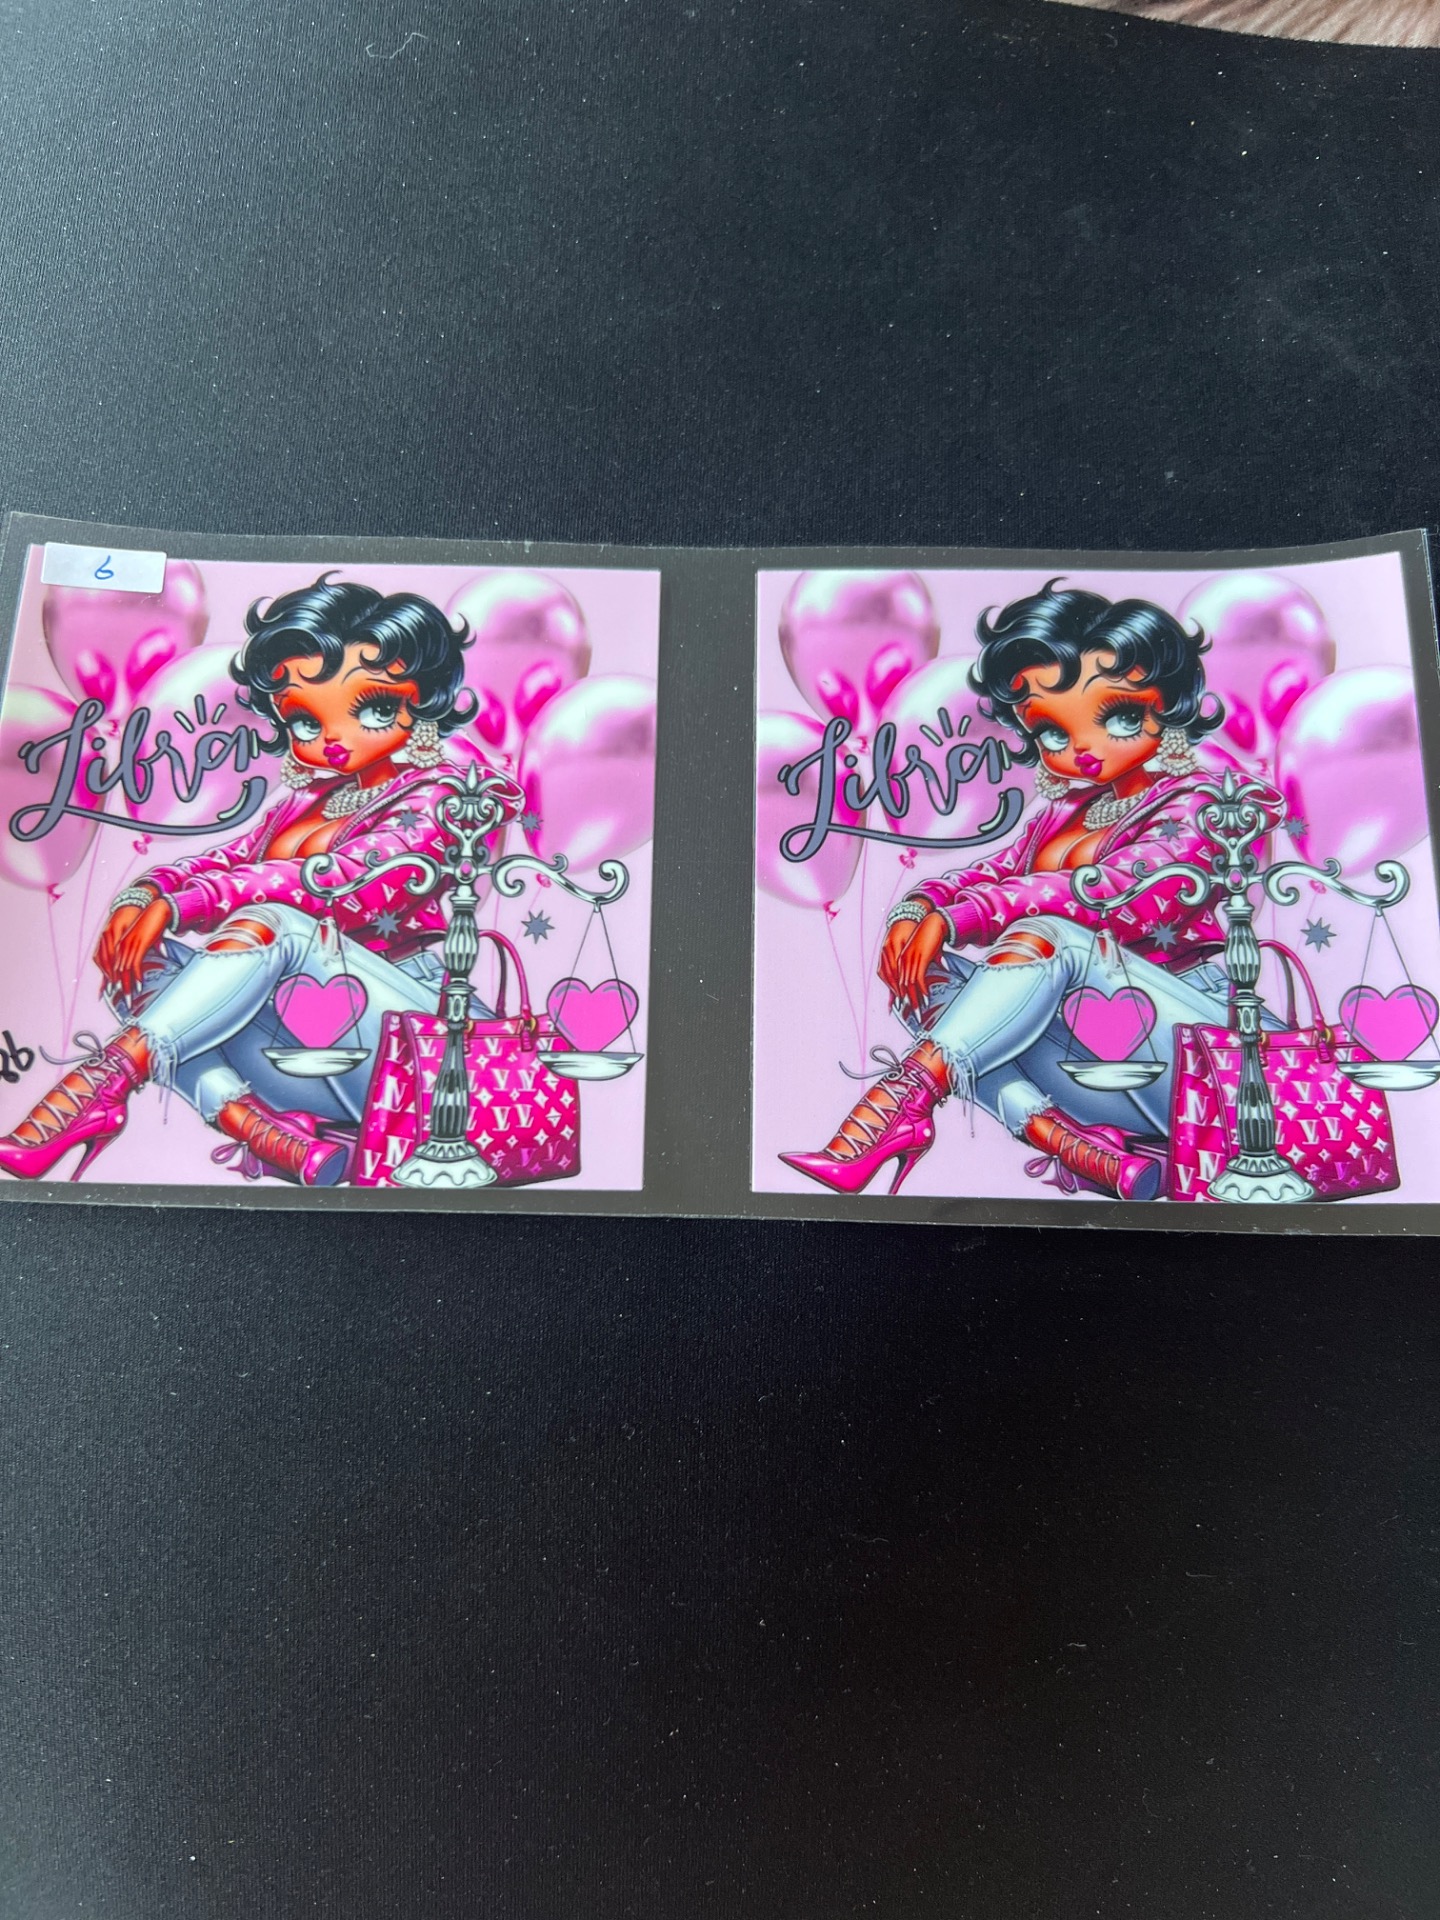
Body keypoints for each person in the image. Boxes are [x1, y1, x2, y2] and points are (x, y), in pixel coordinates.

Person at [0, 575, 522, 1185]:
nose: (334, 738)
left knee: (276, 923)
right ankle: (263, 1130)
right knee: (134, 957)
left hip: (417, 1047)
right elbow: (226, 860)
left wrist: (189, 903)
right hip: (306, 1042)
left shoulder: (449, 794)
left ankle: (95, 1087)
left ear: (424, 701)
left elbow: (348, 882)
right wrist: (147, 896)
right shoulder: (310, 799)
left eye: (375, 708)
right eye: (306, 720)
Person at [781, 581, 1280, 1201]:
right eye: (1052, 732)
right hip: (1095, 1057)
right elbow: (991, 873)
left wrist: (963, 918)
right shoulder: (1068, 811)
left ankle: (890, 1112)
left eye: (1121, 716)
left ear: (1169, 704)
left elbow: (1120, 892)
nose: (1084, 748)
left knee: (1047, 934)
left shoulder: (1207, 800)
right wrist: (920, 908)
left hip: (1204, 1057)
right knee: (919, 970)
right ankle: (1072, 1143)